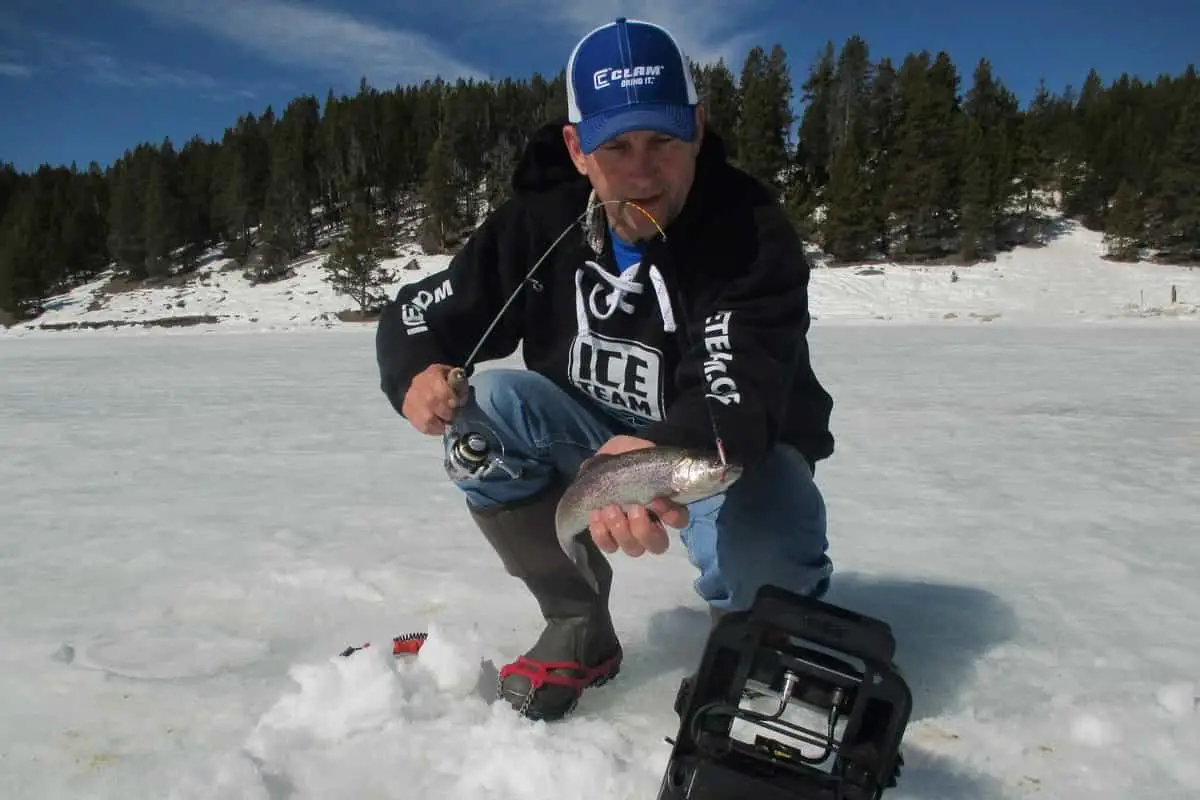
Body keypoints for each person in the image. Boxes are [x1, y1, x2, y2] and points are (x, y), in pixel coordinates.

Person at [375, 17, 834, 722]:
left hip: (724, 448)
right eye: (616, 146)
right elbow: (420, 311)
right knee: (485, 412)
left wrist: (653, 458)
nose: (644, 170)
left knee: (770, 524)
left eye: (664, 142)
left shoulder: (749, 233)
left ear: (699, 131)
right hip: (591, 440)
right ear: (577, 147)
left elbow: (737, 376)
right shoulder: (538, 223)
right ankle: (577, 623)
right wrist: (415, 370)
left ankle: (751, 644)